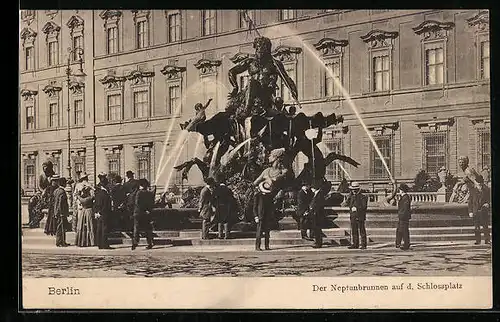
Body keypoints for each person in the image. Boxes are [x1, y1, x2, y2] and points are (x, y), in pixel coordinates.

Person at [252, 148, 289, 251]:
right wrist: (262, 186)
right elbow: (255, 183)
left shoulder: (283, 171)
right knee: (260, 225)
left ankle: (267, 245)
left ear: (277, 158)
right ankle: (258, 246)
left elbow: (283, 182)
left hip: (273, 200)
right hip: (263, 199)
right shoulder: (266, 171)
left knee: (267, 225)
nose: (268, 157)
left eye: (271, 155)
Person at [458, 156, 483, 222]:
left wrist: (478, 185)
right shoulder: (467, 169)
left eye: (462, 162)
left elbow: (473, 179)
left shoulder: (467, 170)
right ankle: (473, 215)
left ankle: (475, 216)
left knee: (474, 201)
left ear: (466, 163)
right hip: (472, 188)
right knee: (471, 201)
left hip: (475, 187)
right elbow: (468, 178)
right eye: (460, 162)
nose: (461, 164)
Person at [132, 178, 155, 250]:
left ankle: (135, 243)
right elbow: (151, 203)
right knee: (147, 229)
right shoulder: (149, 193)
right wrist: (147, 210)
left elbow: (137, 203)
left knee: (136, 228)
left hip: (138, 213)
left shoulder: (139, 193)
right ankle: (150, 243)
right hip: (146, 213)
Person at [345, 182, 368, 249]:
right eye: (352, 190)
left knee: (362, 230)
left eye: (355, 190)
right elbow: (347, 204)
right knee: (354, 230)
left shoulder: (363, 197)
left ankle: (363, 244)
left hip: (360, 216)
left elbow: (364, 207)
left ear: (358, 190)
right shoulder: (351, 197)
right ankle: (355, 244)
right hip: (353, 216)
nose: (353, 191)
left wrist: (357, 208)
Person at [309, 179, 331, 248]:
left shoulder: (319, 194)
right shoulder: (316, 194)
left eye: (312, 188)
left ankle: (318, 243)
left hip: (317, 215)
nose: (311, 189)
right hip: (315, 214)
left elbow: (319, 204)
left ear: (315, 188)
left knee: (317, 230)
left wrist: (314, 210)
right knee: (316, 229)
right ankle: (317, 242)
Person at [213, 174, 237, 239]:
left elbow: (213, 199)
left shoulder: (216, 189)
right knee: (226, 221)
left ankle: (220, 235)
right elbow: (232, 199)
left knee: (220, 221)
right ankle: (227, 235)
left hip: (219, 207)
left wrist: (215, 206)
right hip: (226, 207)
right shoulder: (228, 189)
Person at [94, 173, 113, 249]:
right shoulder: (105, 193)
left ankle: (99, 244)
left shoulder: (97, 192)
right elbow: (106, 205)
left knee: (99, 228)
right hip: (104, 212)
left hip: (98, 212)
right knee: (104, 228)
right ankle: (105, 244)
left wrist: (96, 212)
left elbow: (95, 203)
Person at [75, 179, 96, 247]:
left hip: (84, 211)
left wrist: (79, 193)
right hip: (89, 211)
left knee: (82, 226)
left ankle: (82, 241)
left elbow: (78, 196)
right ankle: (91, 241)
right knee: (90, 226)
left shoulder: (82, 198)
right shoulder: (90, 198)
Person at [51, 175, 70, 247]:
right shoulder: (62, 192)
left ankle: (60, 241)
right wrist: (62, 212)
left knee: (59, 227)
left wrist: (55, 212)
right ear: (64, 184)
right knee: (61, 227)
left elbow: (54, 202)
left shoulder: (56, 191)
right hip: (61, 212)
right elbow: (61, 203)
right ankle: (60, 242)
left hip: (57, 211)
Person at [475, 176, 491, 245]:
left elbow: (489, 199)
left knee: (485, 225)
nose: (479, 185)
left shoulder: (487, 189)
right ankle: (478, 240)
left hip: (484, 210)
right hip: (476, 211)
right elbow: (470, 202)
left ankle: (487, 239)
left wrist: (488, 204)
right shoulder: (473, 190)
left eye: (480, 183)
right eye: (478, 183)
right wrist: (470, 211)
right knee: (476, 226)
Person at [396, 183, 412, 250]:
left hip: (404, 217)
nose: (399, 191)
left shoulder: (406, 197)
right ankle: (398, 243)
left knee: (404, 231)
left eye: (400, 189)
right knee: (400, 230)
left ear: (402, 190)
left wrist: (401, 215)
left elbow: (405, 208)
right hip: (402, 216)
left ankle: (406, 245)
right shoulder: (403, 197)